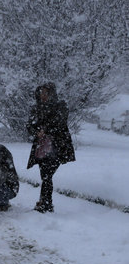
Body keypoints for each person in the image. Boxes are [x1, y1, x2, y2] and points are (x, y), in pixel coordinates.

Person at [27, 82, 75, 213]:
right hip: (42, 148)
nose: (43, 95)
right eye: (41, 93)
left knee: (47, 175)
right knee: (45, 175)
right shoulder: (36, 108)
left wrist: (45, 129)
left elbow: (59, 122)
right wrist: (37, 131)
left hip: (57, 147)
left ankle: (45, 203)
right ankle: (45, 203)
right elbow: (29, 125)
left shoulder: (60, 106)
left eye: (46, 93)